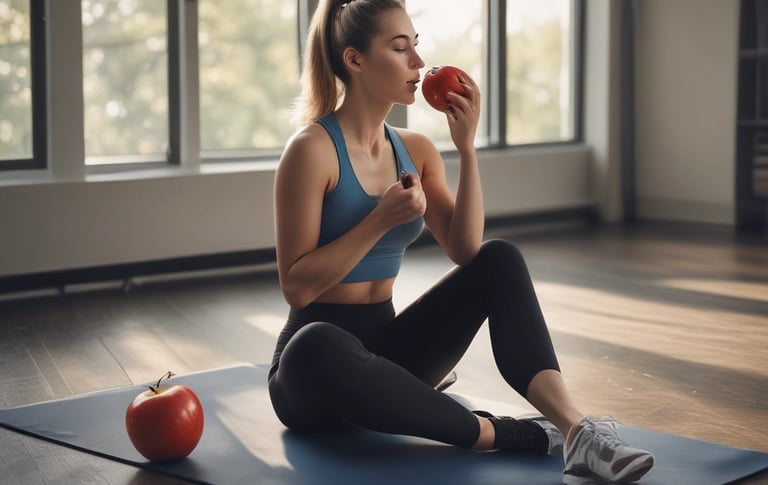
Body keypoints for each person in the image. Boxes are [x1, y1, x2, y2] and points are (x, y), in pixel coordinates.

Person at [268, 0, 655, 483]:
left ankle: (574, 429)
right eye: (400, 48)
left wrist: (467, 149)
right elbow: (297, 288)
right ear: (355, 60)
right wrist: (378, 220)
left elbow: (467, 251)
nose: (417, 63)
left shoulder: (416, 150)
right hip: (313, 379)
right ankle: (511, 435)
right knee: (315, 343)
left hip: (391, 354)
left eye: (417, 47)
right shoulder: (310, 150)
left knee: (500, 257)